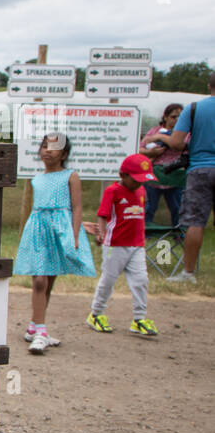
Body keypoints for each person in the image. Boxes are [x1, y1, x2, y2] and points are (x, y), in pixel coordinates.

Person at [12, 132, 96, 354]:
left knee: (49, 279)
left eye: (53, 147)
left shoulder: (71, 176)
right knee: (39, 280)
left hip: (60, 230)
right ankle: (40, 331)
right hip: (39, 230)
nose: (47, 150)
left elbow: (77, 207)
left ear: (64, 154)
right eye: (44, 146)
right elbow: (34, 209)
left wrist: (75, 234)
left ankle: (35, 325)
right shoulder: (36, 179)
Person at [86, 153, 159, 338]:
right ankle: (96, 314)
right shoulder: (113, 191)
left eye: (142, 180)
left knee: (141, 280)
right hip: (115, 245)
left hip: (137, 245)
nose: (139, 184)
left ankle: (139, 319)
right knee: (108, 281)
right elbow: (103, 215)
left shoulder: (142, 191)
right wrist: (101, 234)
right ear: (122, 175)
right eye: (136, 179)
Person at [159, 72, 215, 283]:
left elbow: (176, 143)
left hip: (199, 169)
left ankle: (188, 272)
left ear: (209, 85)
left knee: (196, 222)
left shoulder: (194, 109)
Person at [139, 103, 185, 226]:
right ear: (165, 117)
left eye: (180, 117)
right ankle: (147, 230)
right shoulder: (154, 131)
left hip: (176, 174)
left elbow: (182, 146)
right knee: (150, 205)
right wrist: (150, 152)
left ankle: (178, 231)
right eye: (173, 117)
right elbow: (140, 148)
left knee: (177, 207)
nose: (176, 120)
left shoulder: (185, 133)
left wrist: (161, 137)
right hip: (155, 173)